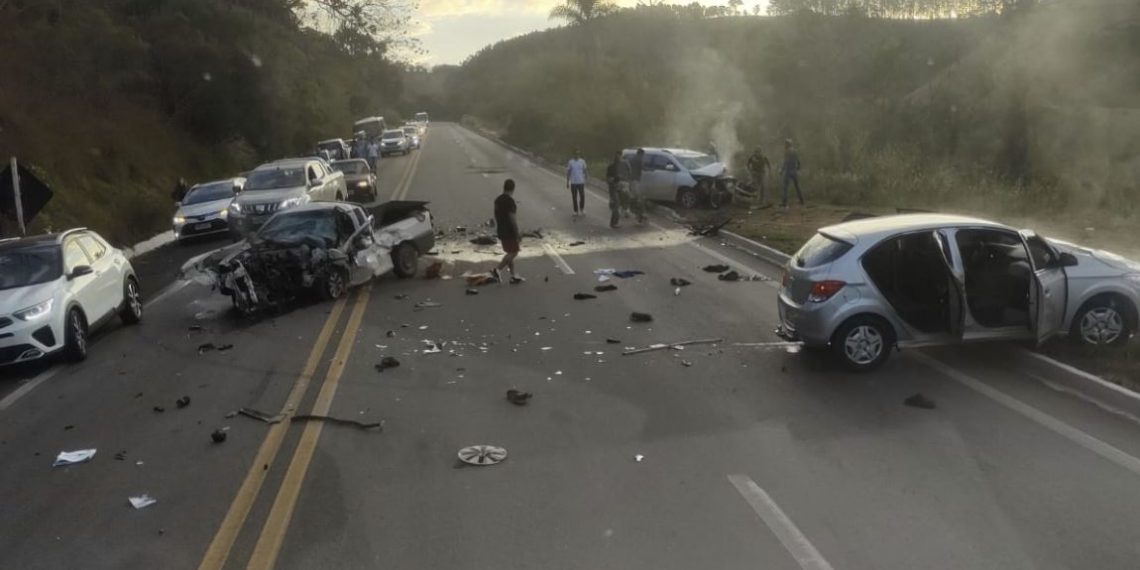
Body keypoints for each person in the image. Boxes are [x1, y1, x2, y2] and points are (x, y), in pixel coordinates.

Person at [491, 179, 524, 284]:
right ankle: (498, 270)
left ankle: (513, 276)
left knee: (510, 252)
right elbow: (512, 218)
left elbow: (496, 214)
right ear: (513, 189)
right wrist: (517, 233)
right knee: (513, 252)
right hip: (509, 231)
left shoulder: (497, 200)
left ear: (504, 187)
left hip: (501, 229)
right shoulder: (510, 202)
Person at [605, 151, 628, 229]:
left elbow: (626, 177)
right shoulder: (611, 167)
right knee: (616, 205)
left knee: (619, 204)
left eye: (620, 157)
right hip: (613, 188)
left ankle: (615, 222)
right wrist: (614, 179)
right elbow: (608, 179)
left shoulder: (622, 167)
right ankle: (614, 223)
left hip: (620, 188)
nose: (618, 159)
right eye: (617, 157)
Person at [780, 139, 804, 208]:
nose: (784, 145)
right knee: (797, 186)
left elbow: (785, 162)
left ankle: (784, 202)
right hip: (794, 170)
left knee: (785, 187)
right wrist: (797, 168)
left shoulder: (787, 152)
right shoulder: (795, 151)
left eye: (785, 144)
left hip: (788, 170)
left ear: (787, 145)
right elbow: (798, 162)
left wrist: (782, 170)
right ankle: (802, 200)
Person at [566, 149, 588, 217]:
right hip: (573, 182)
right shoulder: (570, 162)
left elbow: (585, 171)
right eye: (576, 154)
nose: (577, 155)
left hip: (581, 182)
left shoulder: (582, 161)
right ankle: (575, 211)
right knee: (574, 197)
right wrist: (567, 182)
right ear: (574, 154)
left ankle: (582, 209)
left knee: (582, 196)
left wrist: (586, 179)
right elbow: (568, 172)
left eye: (578, 154)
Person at [628, 148, 647, 223]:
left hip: (631, 179)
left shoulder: (632, 158)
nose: (643, 156)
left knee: (633, 195)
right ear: (641, 154)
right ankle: (637, 214)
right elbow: (643, 168)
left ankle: (629, 210)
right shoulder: (639, 159)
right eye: (643, 155)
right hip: (635, 179)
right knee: (638, 197)